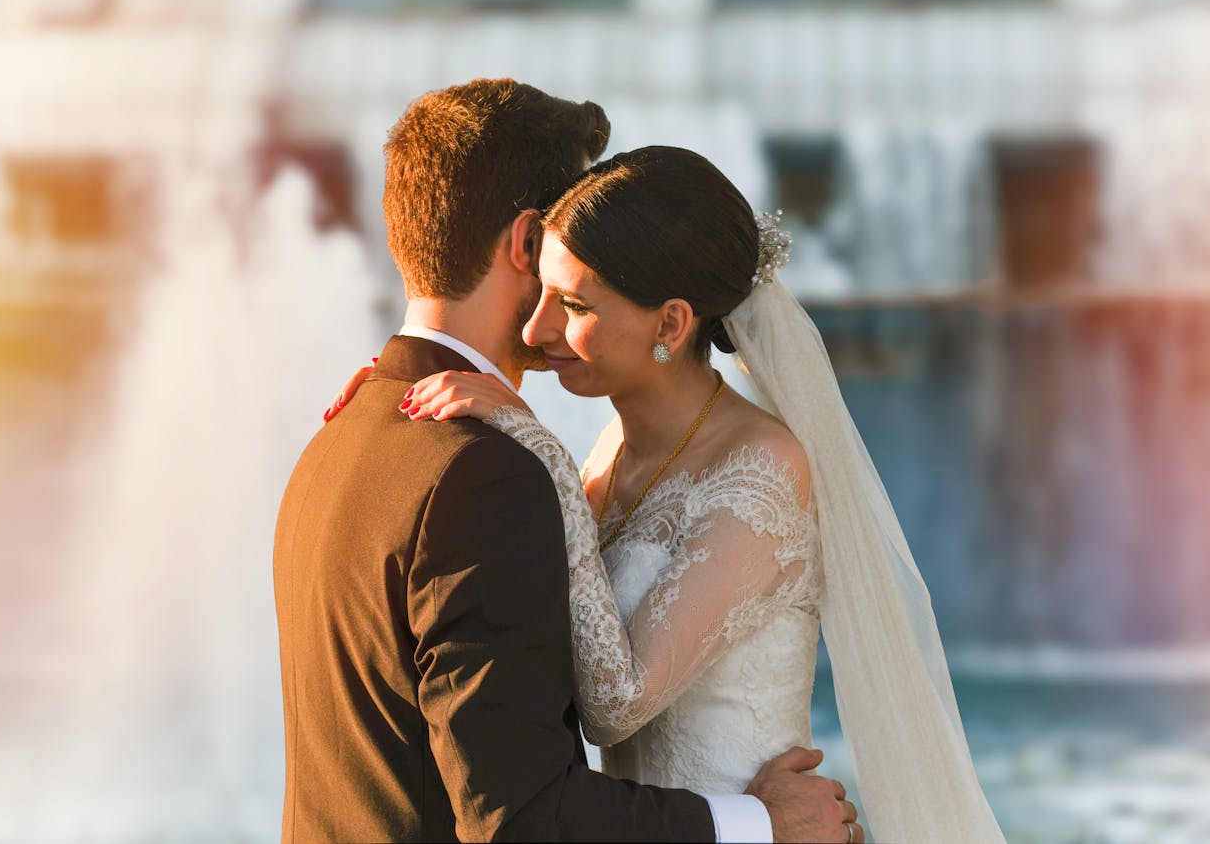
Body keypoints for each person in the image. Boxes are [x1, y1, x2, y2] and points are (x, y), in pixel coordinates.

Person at [359, 145, 1006, 843]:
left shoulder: (764, 466)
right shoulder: (609, 451)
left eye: (573, 303)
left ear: (670, 324)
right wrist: (390, 399)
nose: (534, 327)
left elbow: (614, 702)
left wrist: (540, 450)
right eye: (540, 290)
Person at [275, 79, 857, 843]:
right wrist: (755, 824)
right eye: (558, 261)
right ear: (528, 243)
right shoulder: (488, 470)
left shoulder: (342, 435)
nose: (553, 317)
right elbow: (519, 812)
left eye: (578, 294)